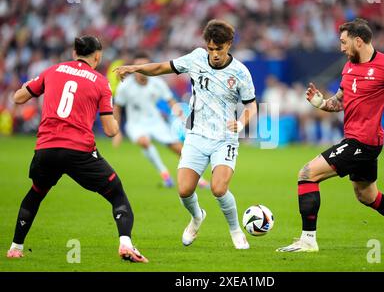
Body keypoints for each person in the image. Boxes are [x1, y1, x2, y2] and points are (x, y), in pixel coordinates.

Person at [277, 19, 384, 253]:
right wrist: (320, 103)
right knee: (367, 196)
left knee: (307, 174)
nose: (341, 48)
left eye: (344, 42)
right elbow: (339, 102)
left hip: (363, 142)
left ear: (358, 41)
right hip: (361, 142)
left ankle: (308, 240)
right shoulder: (348, 66)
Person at [114, 19, 257, 249]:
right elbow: (162, 67)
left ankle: (235, 230)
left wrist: (240, 125)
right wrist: (135, 68)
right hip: (196, 136)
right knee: (184, 190)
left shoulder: (240, 72)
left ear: (229, 44)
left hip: (224, 138)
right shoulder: (196, 58)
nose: (214, 54)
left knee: (219, 188)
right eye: (211, 48)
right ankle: (197, 217)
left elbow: (251, 106)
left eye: (219, 49)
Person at [6, 36, 148, 263]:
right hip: (79, 151)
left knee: (36, 193)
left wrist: (35, 86)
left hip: (46, 148)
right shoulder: (101, 82)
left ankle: (15, 247)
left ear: (74, 53)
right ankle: (126, 244)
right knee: (117, 194)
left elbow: (18, 97)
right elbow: (111, 131)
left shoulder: (52, 70)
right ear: (98, 56)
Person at [112, 52, 210, 189]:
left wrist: (181, 116)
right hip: (136, 124)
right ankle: (165, 175)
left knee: (180, 150)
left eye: (143, 65)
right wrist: (117, 132)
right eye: (138, 66)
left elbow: (170, 101)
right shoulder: (125, 86)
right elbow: (117, 107)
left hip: (156, 122)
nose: (140, 69)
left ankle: (199, 179)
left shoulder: (157, 83)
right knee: (144, 141)